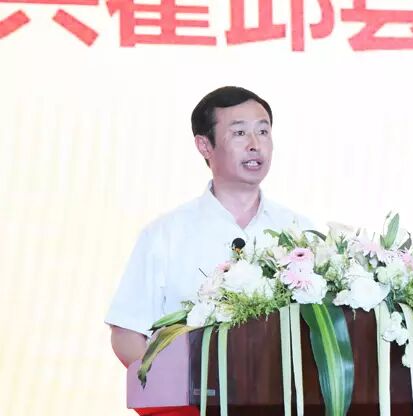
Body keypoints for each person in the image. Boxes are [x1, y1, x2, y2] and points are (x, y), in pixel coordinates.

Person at [105, 86, 312, 368]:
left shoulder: (300, 232)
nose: (255, 144)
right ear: (204, 145)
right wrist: (170, 381)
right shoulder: (165, 235)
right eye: (239, 133)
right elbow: (127, 332)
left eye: (263, 131)